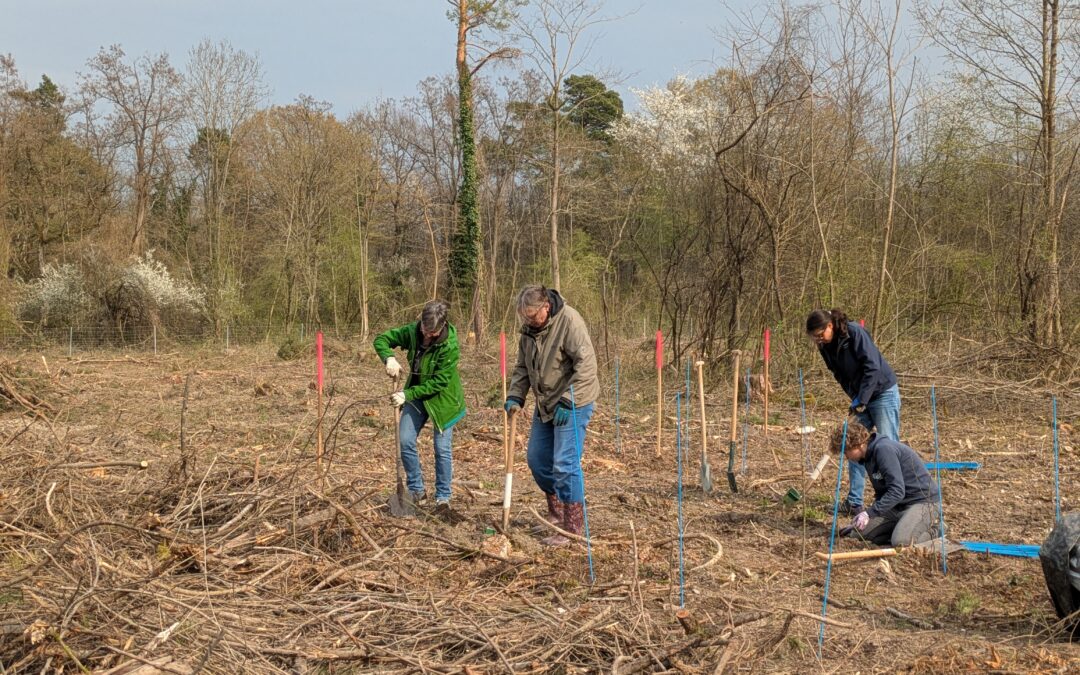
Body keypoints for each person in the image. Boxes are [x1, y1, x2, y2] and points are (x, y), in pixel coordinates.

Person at [505, 285, 599, 546]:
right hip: (546, 402)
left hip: (574, 401)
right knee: (537, 459)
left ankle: (573, 528)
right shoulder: (528, 330)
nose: (529, 321)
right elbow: (523, 366)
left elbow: (587, 366)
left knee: (565, 464)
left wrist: (569, 400)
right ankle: (556, 513)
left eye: (533, 316)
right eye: (525, 316)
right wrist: (516, 395)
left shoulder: (570, 321)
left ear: (546, 306)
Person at [374, 300, 466, 513]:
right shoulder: (413, 332)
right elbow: (381, 339)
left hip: (444, 400)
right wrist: (388, 357)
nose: (427, 335)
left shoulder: (449, 345)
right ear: (421, 322)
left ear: (442, 327)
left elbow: (439, 382)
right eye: (425, 329)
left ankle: (443, 497)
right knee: (405, 439)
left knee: (441, 449)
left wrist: (406, 394)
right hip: (416, 395)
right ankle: (417, 490)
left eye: (432, 332)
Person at [807, 308, 900, 515]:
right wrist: (855, 398)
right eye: (815, 338)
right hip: (860, 397)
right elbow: (838, 374)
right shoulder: (824, 346)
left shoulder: (854, 333)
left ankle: (893, 502)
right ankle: (854, 502)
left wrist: (863, 399)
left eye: (821, 335)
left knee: (887, 446)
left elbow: (873, 367)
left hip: (882, 392)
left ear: (830, 325)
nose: (818, 340)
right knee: (852, 447)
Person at [830, 422, 940, 547]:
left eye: (846, 452)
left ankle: (936, 530)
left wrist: (869, 513)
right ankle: (904, 526)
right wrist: (868, 517)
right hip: (897, 506)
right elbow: (882, 491)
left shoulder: (883, 450)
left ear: (858, 444)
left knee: (901, 542)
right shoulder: (867, 458)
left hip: (922, 502)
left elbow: (897, 491)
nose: (846, 457)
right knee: (858, 534)